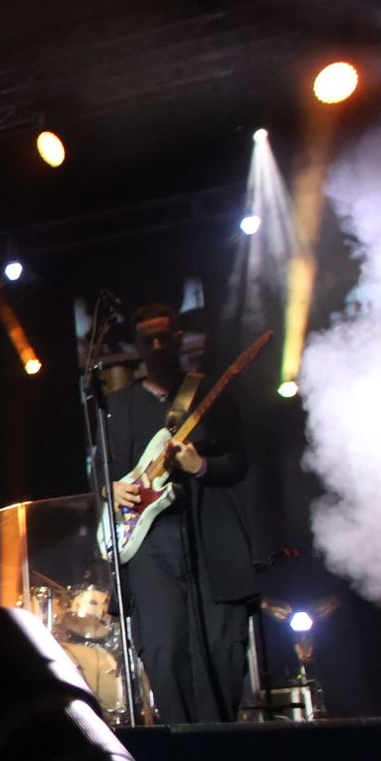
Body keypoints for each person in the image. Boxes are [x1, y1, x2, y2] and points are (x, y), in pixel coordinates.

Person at [104, 304, 257, 724]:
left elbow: (240, 461)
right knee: (163, 649)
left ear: (178, 338)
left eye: (163, 336)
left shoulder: (210, 394)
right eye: (147, 339)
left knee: (221, 647)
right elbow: (104, 475)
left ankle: (221, 746)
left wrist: (201, 467)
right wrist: (107, 488)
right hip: (150, 548)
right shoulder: (118, 407)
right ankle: (183, 752)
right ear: (136, 346)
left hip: (208, 537)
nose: (156, 345)